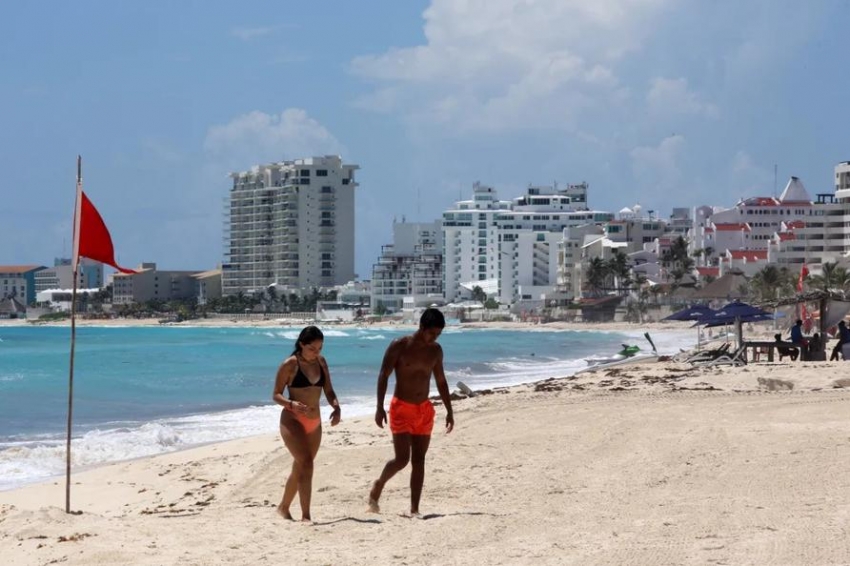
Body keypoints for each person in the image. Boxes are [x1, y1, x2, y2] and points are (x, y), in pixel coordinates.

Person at [368, 308, 454, 517]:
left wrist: (450, 410)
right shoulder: (400, 346)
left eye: (438, 335)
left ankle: (414, 509)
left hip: (424, 410)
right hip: (401, 408)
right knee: (402, 459)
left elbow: (441, 381)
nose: (434, 338)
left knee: (419, 460)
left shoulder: (435, 351)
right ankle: (379, 485)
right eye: (432, 333)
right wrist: (379, 407)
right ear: (421, 327)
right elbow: (383, 375)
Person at [272, 326, 341, 522]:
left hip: (314, 422)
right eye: (312, 349)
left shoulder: (321, 362)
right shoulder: (290, 365)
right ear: (302, 344)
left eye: (320, 349)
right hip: (292, 420)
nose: (316, 353)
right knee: (307, 463)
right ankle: (306, 516)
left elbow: (329, 390)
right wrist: (291, 404)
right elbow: (275, 394)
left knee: (301, 466)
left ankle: (283, 507)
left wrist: (336, 408)